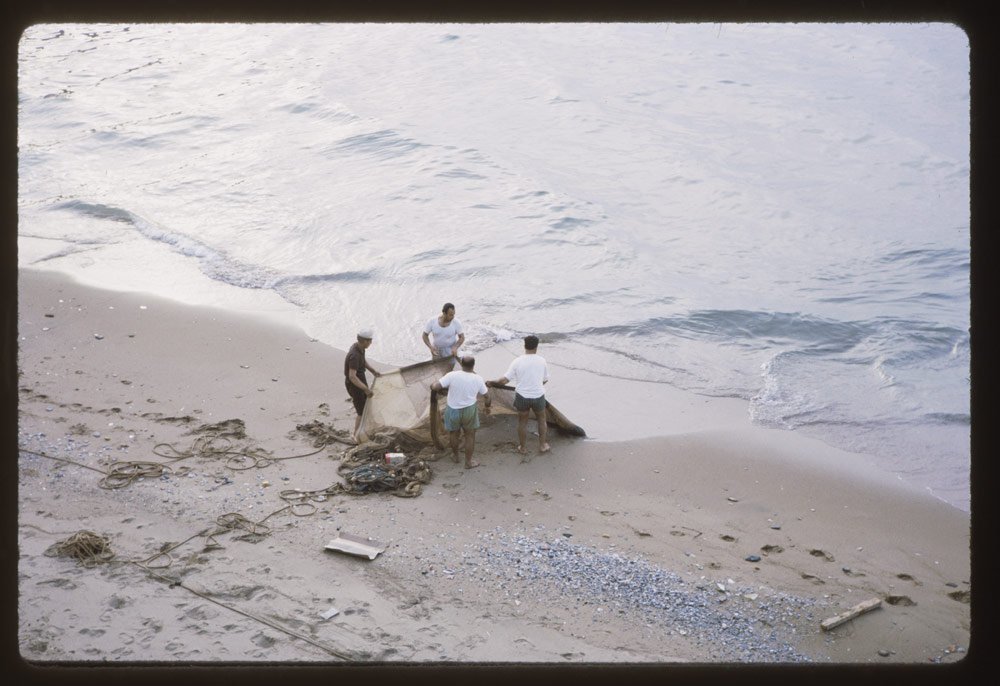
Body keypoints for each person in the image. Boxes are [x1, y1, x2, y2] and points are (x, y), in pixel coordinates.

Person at [487, 334, 550, 455]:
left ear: (524, 346)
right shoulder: (542, 361)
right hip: (538, 396)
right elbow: (545, 379)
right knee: (542, 420)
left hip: (522, 397)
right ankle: (542, 445)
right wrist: (536, 384)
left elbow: (504, 381)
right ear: (537, 347)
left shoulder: (517, 361)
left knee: (522, 422)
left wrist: (492, 382)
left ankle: (523, 447)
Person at [430, 355, 491, 469]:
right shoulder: (478, 378)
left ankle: (455, 456)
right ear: (473, 365)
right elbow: (487, 397)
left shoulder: (452, 375)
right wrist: (487, 407)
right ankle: (468, 462)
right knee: (470, 436)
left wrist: (434, 385)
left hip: (453, 410)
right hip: (469, 410)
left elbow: (435, 386)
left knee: (454, 434)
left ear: (461, 364)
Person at [344, 328, 381, 441]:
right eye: (369, 341)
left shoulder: (359, 347)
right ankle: (355, 435)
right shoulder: (354, 355)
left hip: (360, 380)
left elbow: (363, 361)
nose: (370, 343)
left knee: (365, 407)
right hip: (355, 385)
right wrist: (365, 389)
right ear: (364, 341)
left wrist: (373, 371)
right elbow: (352, 376)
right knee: (361, 411)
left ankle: (363, 430)